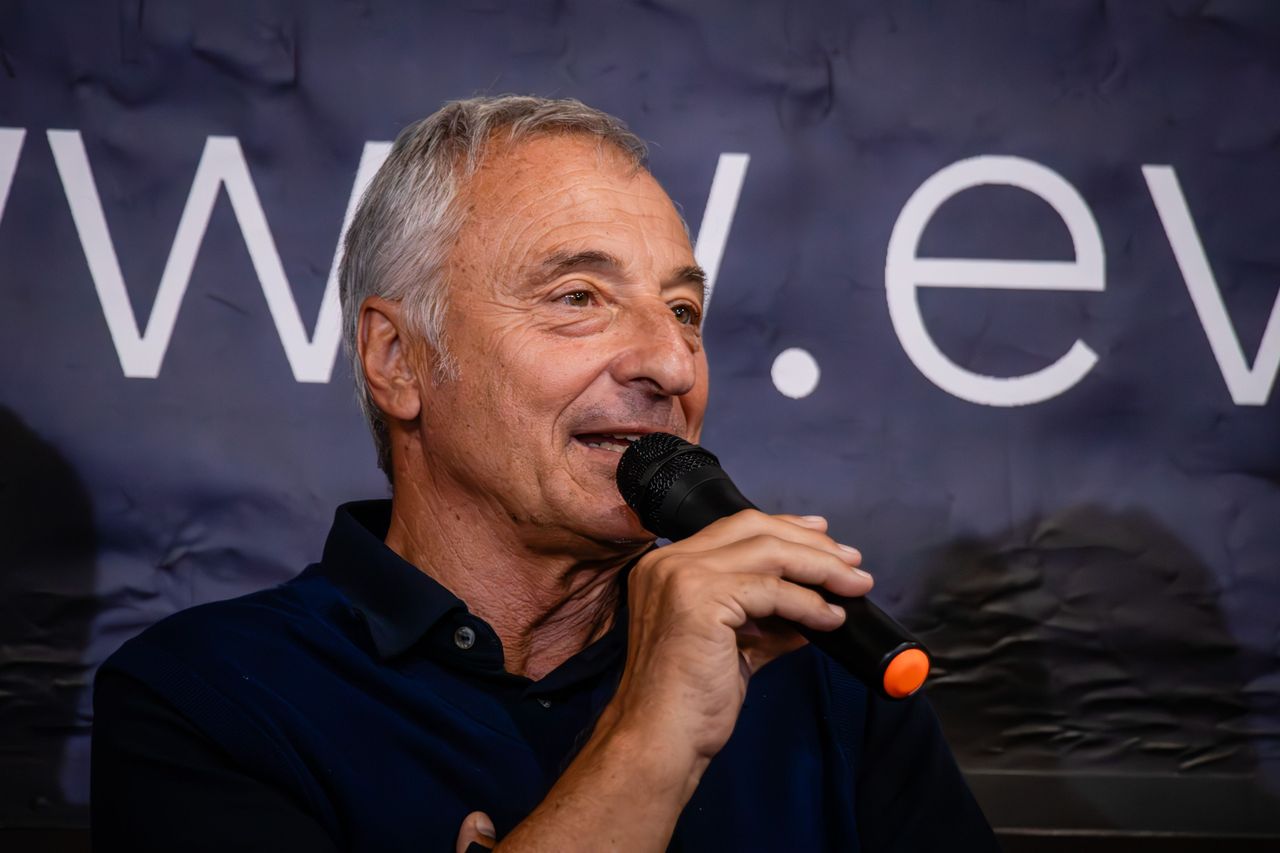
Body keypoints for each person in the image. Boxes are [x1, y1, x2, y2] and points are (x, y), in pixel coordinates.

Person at [91, 95, 997, 852]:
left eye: (684, 309)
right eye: (578, 298)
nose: (670, 364)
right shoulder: (206, 700)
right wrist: (649, 743)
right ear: (398, 359)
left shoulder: (822, 676)